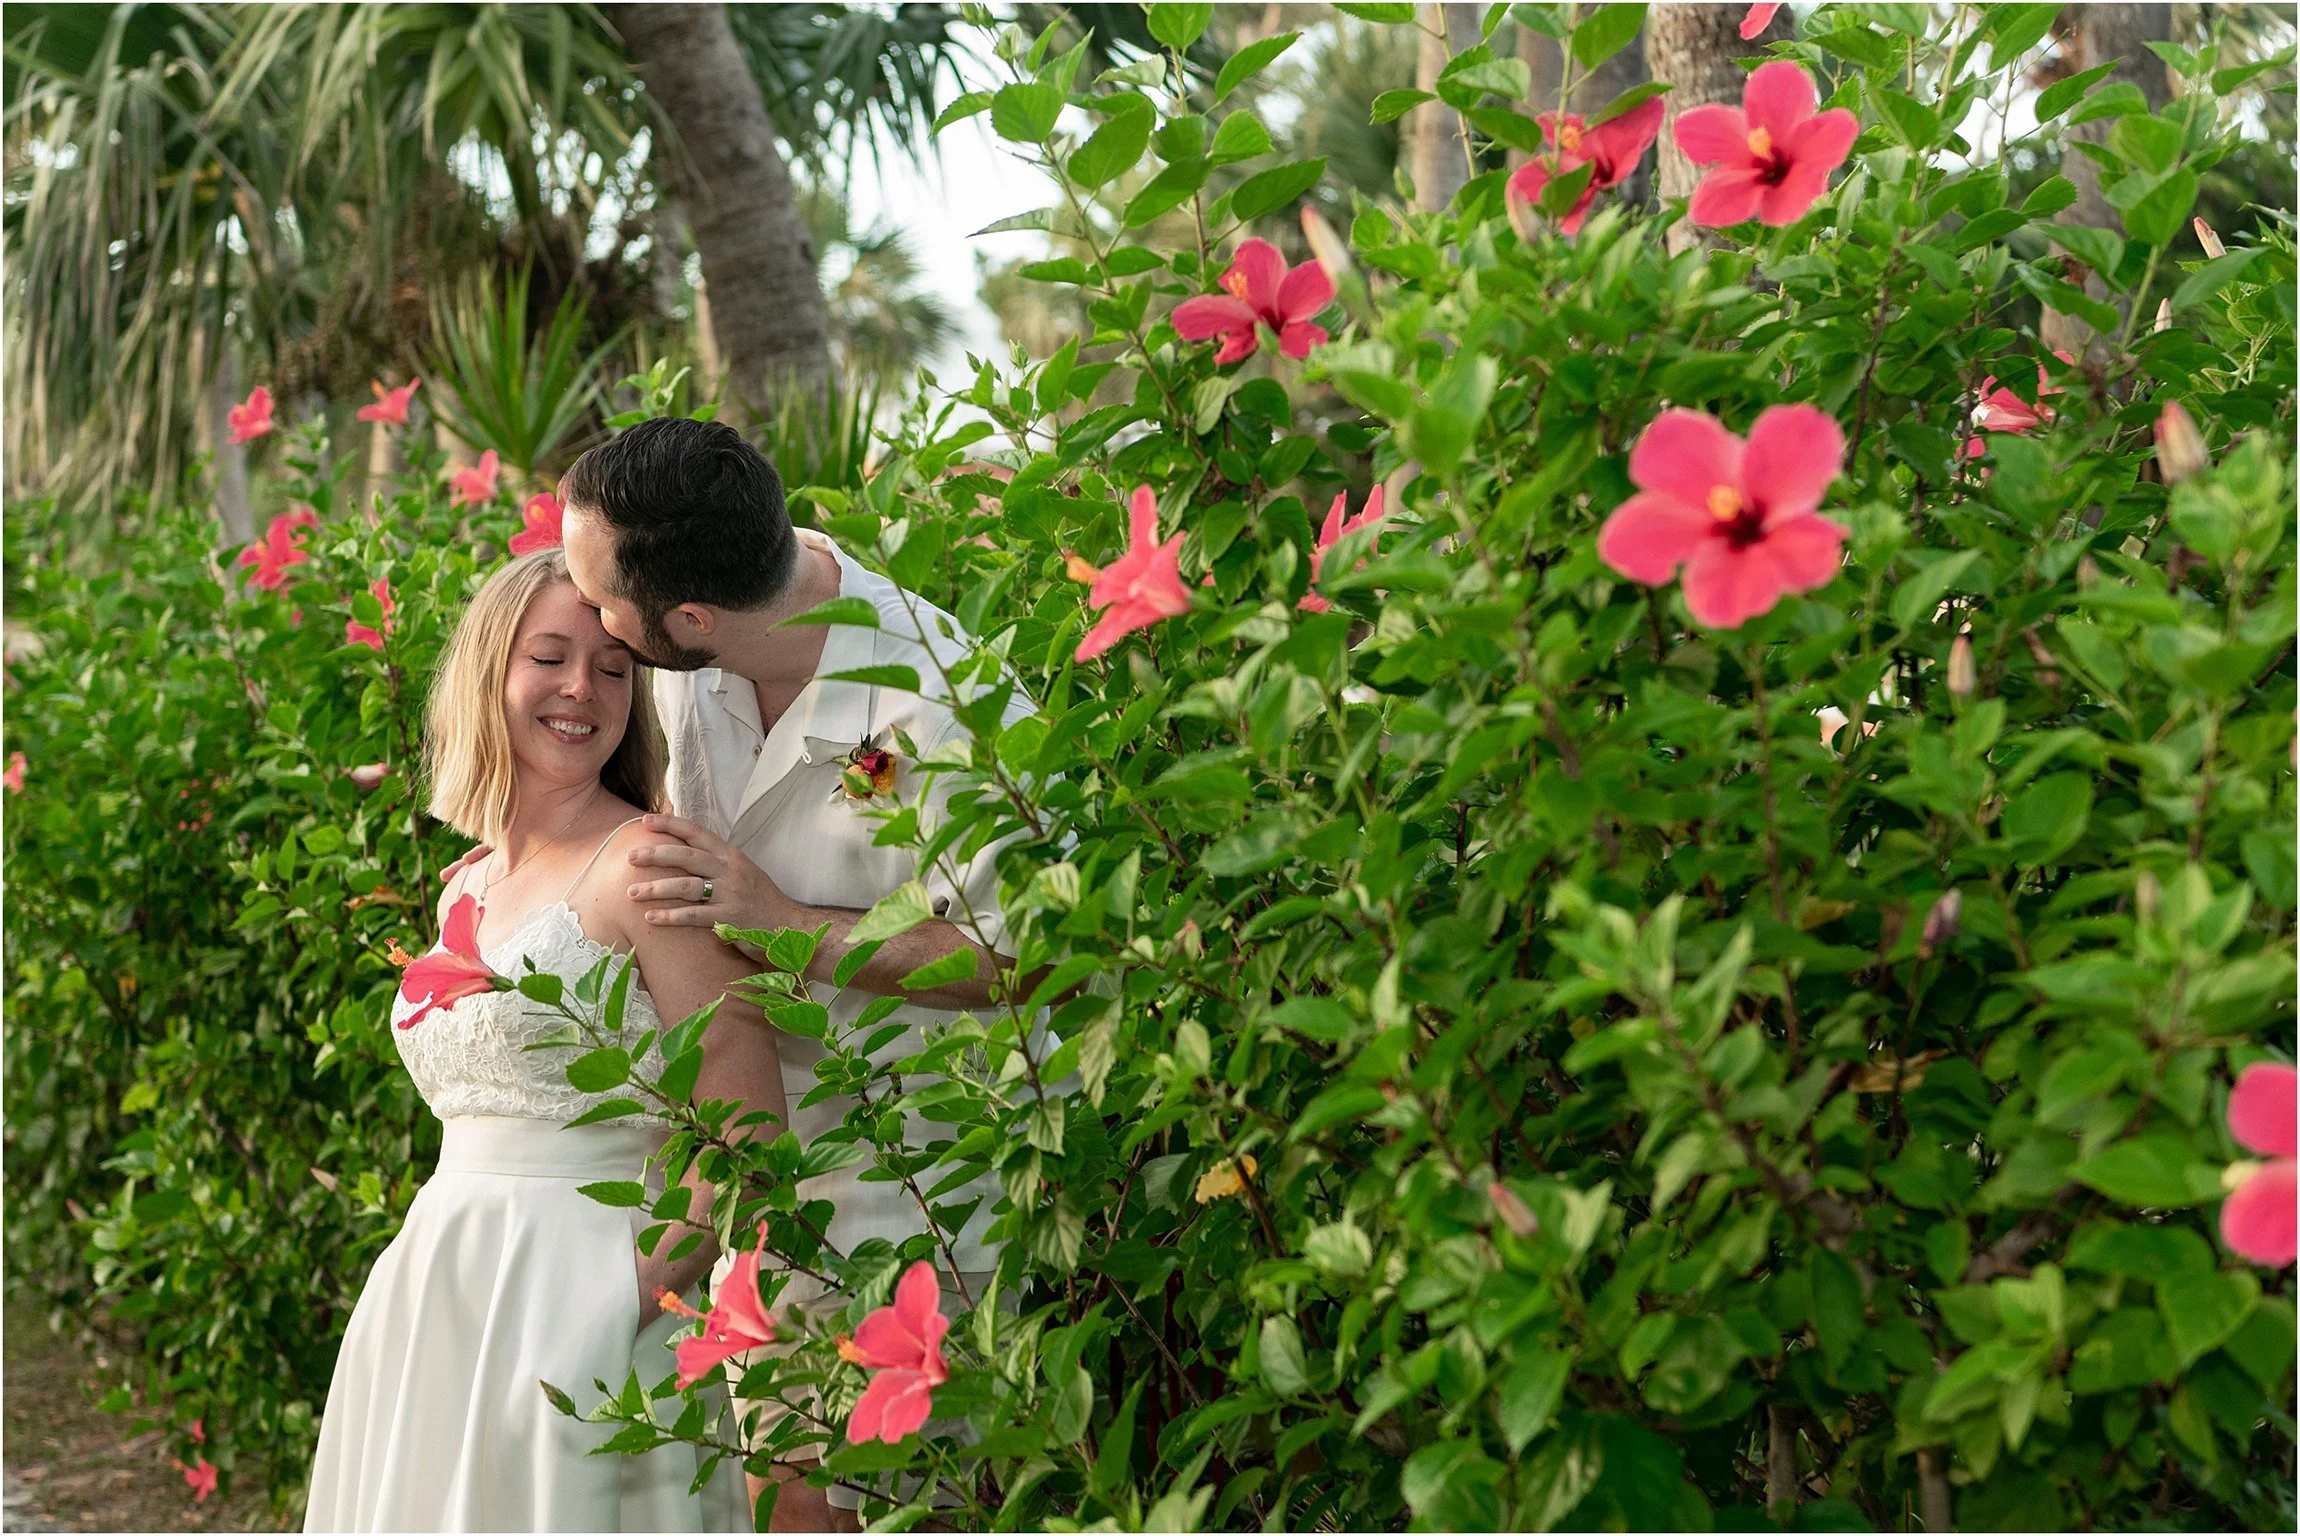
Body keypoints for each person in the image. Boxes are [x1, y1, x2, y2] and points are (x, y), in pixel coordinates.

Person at [559, 416, 1035, 1530]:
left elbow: (1017, 961)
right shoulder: (700, 660)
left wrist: (782, 922)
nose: (590, 617)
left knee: (910, 1501)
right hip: (764, 1160)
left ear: (688, 618)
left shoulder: (941, 700)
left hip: (923, 1181)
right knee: (787, 1502)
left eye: (601, 604)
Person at [304, 548, 780, 1532]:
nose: (582, 689)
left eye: (612, 668)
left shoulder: (645, 864)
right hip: (442, 1291)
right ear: (491, 674)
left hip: (593, 1300)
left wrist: (626, 1304)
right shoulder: (463, 885)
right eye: (549, 658)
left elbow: (749, 1128)